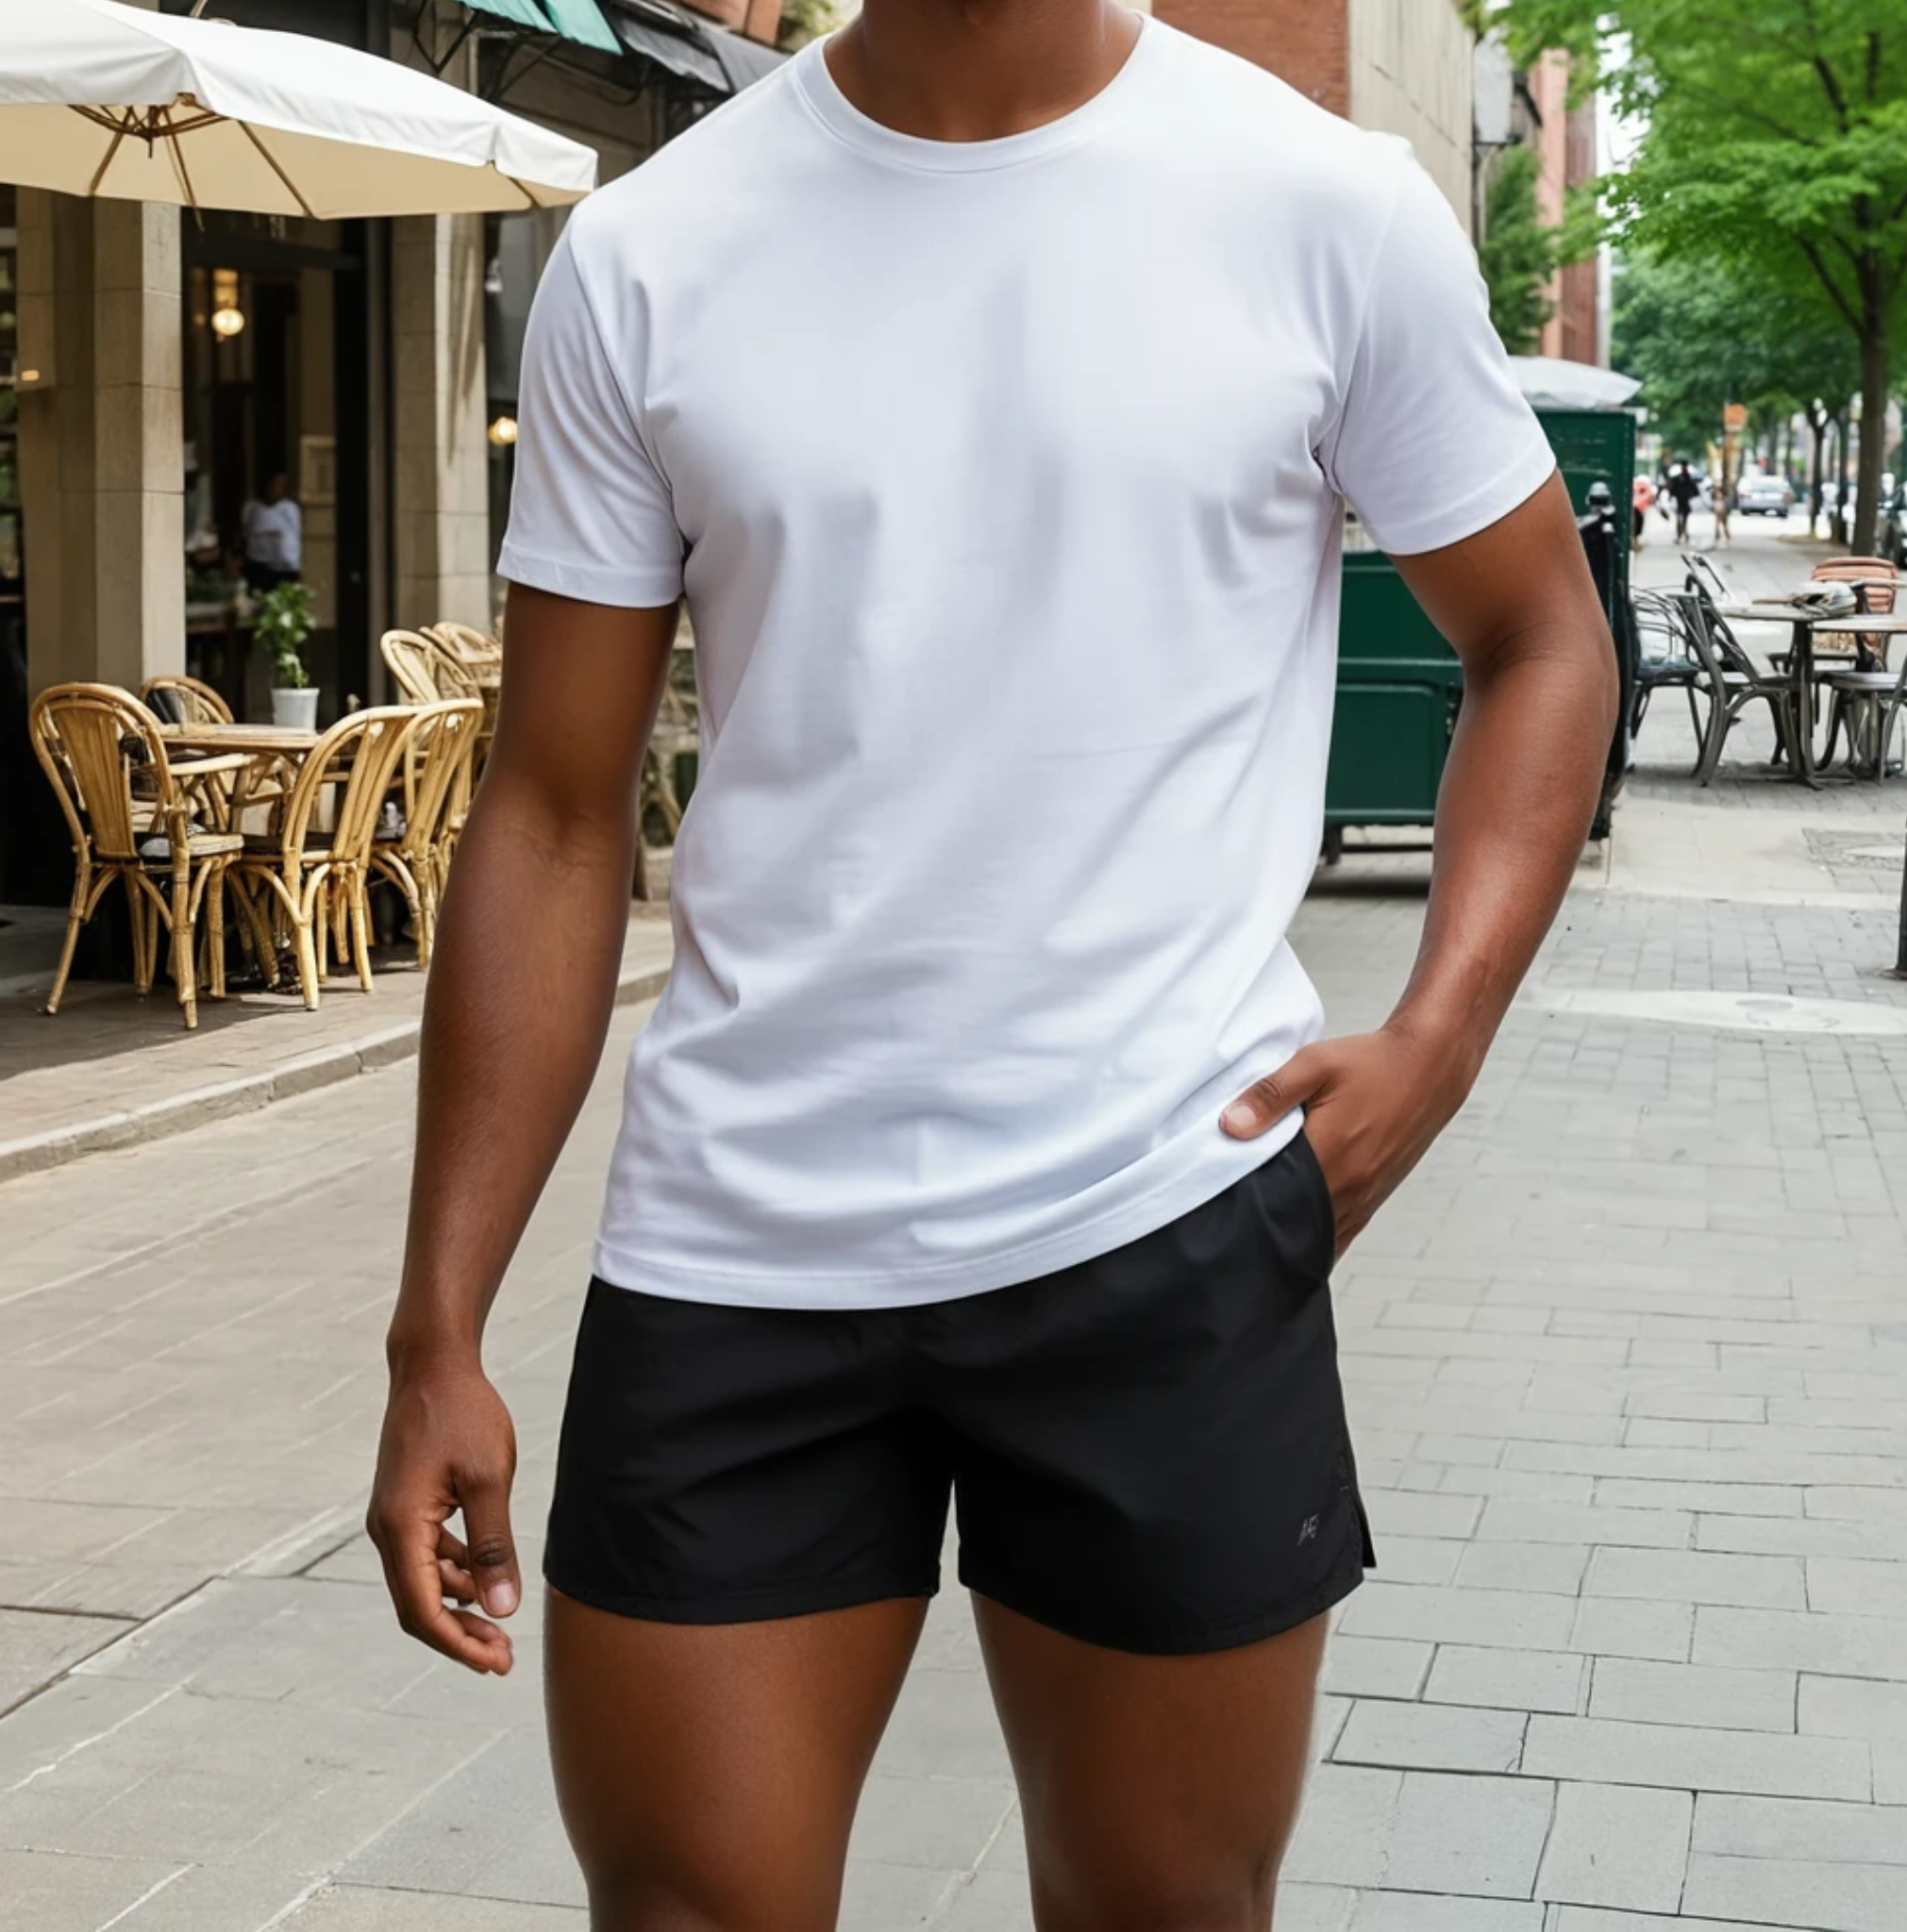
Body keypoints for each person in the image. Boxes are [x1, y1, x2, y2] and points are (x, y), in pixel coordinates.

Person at [366, 6, 1618, 1927]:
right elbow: (546, 809)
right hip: (735, 1250)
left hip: (1165, 1215)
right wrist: (436, 1326)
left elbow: (1540, 636)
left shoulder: (1322, 210)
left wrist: (1435, 1043)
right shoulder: (652, 251)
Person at [240, 471, 301, 594]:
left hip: (284, 566)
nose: (277, 489)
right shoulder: (252, 507)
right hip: (259, 565)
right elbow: (246, 532)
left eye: (282, 486)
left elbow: (296, 534)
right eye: (275, 484)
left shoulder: (290, 509)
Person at [1666, 459, 1698, 543]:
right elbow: (1673, 489)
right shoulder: (1679, 478)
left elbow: (1695, 490)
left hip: (1685, 501)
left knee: (1683, 519)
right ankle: (1681, 534)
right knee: (1680, 519)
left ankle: (1683, 534)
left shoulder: (1688, 478)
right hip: (1680, 500)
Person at [1632, 472, 1655, 549]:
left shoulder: (1635, 485)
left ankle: (1635, 542)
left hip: (1635, 508)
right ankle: (1635, 543)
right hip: (1639, 509)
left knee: (1635, 526)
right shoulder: (1646, 488)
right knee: (1637, 526)